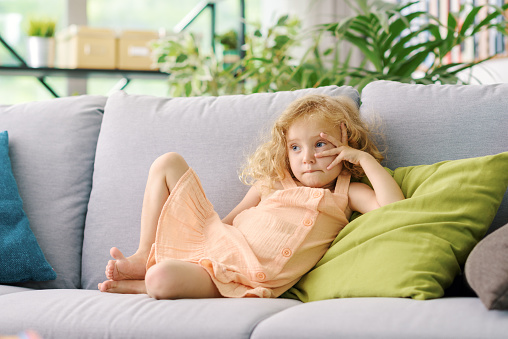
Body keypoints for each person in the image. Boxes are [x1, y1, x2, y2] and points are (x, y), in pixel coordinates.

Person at [98, 94, 405, 299]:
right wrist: (203, 238)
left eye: (320, 145)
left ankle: (146, 281)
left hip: (244, 274)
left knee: (160, 279)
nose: (307, 158)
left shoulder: (346, 192)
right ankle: (143, 254)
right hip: (221, 242)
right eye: (296, 147)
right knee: (167, 162)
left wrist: (363, 159)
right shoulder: (271, 182)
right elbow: (228, 222)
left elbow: (395, 210)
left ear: (346, 141)